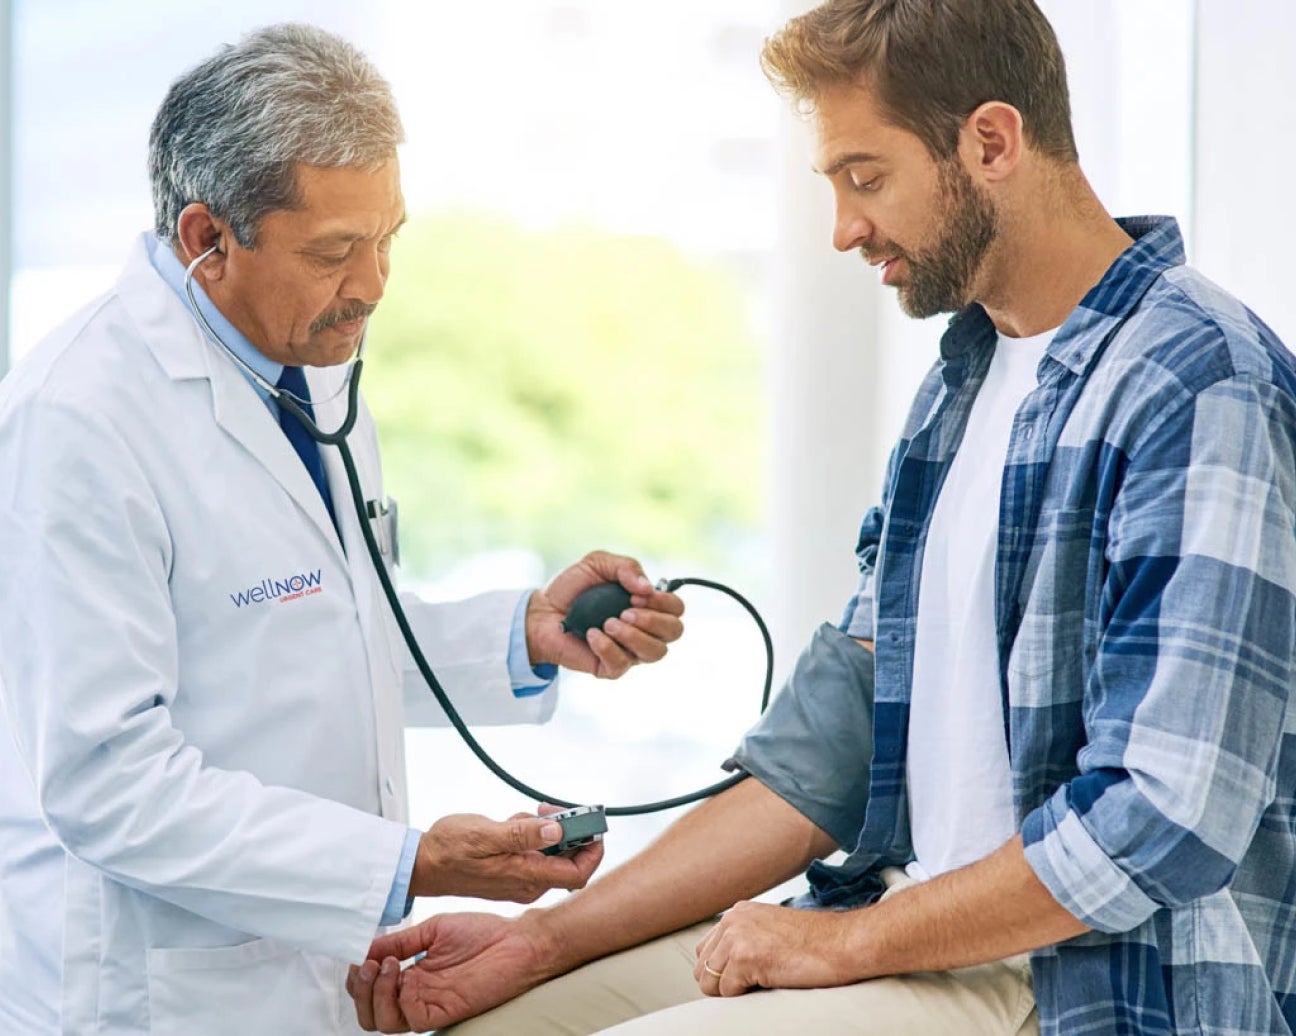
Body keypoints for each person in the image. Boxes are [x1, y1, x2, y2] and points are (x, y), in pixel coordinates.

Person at [345, 1, 1296, 1034]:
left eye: (865, 176)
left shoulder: (1200, 384)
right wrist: (543, 939)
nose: (845, 226)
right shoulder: (961, 390)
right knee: (490, 1021)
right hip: (905, 920)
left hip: (1078, 981)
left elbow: (1160, 815)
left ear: (991, 142)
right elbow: (830, 749)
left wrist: (834, 944)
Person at [0, 24, 687, 1036]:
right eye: (334, 250)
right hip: (146, 995)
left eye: (388, 237)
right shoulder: (81, 419)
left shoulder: (307, 369)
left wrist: (521, 638)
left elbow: (315, 631)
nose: (374, 284)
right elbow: (110, 784)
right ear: (207, 239)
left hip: (302, 972)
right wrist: (407, 863)